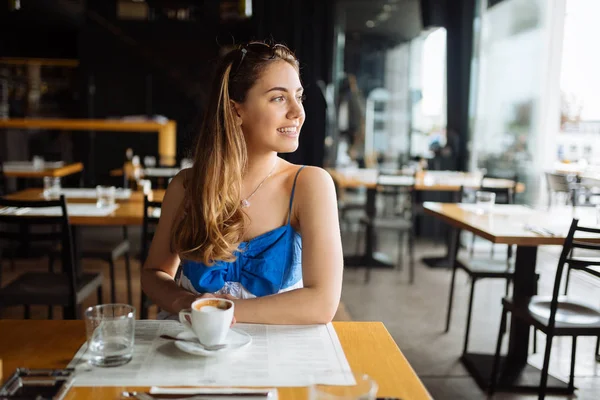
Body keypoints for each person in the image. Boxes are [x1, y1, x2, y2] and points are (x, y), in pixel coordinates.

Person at [141, 42, 344, 325]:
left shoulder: (310, 184)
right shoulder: (186, 186)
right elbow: (154, 274)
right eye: (278, 98)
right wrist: (185, 303)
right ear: (236, 111)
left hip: (276, 350)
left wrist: (219, 311)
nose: (298, 112)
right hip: (192, 340)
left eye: (299, 96)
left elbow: (322, 303)